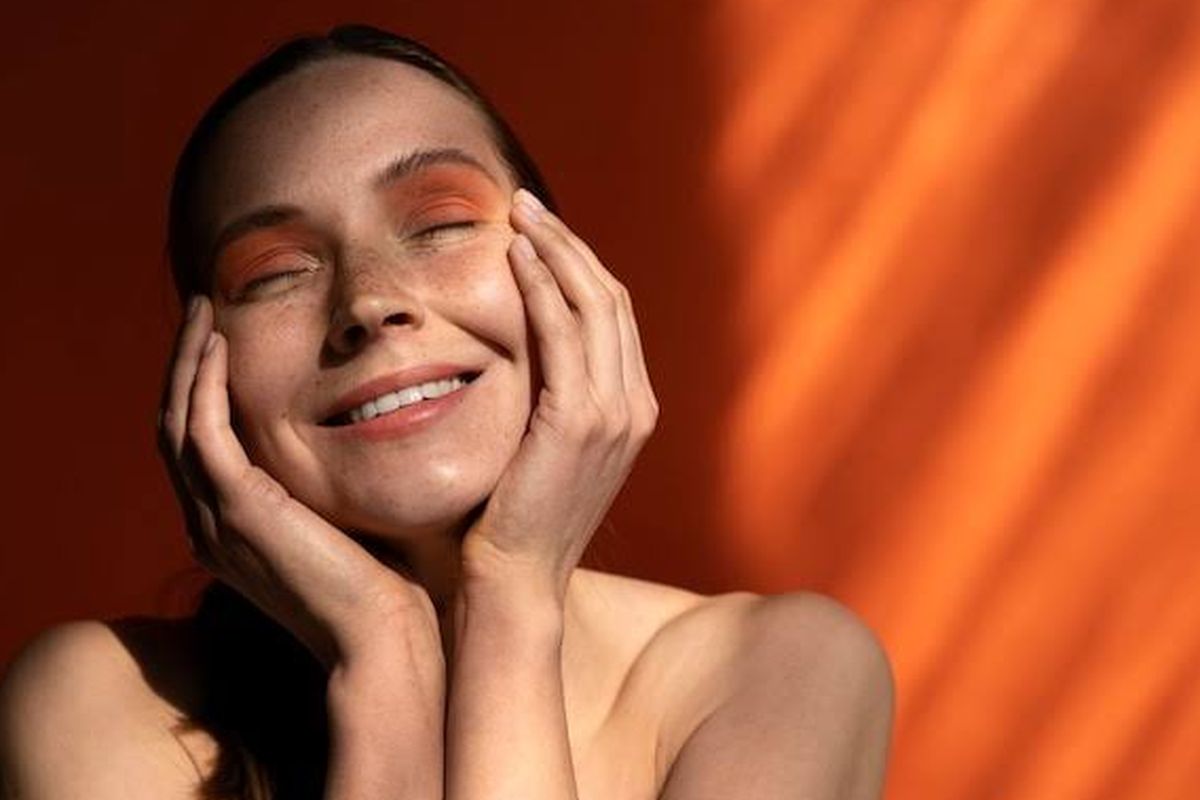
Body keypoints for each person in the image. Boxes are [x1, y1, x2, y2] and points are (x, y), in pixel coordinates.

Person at [0, 24, 894, 800]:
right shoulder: (100, 701)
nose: (368, 301)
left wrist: (510, 596)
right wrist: (383, 660)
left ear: (572, 279)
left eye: (441, 223)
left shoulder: (778, 672)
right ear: (205, 378)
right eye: (274, 273)